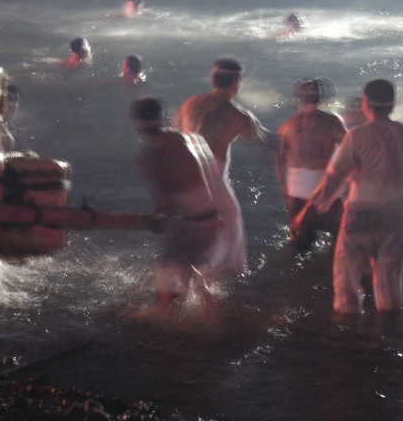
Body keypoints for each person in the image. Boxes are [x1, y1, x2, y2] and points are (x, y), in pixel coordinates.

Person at [296, 79, 403, 314]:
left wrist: (307, 211)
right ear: (392, 104)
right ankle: (386, 331)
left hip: (361, 216)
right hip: (395, 219)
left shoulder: (357, 136)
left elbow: (334, 178)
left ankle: (348, 330)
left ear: (366, 104)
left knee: (347, 288)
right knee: (391, 290)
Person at [173, 57, 275, 275]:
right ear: (237, 83)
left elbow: (174, 135)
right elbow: (265, 142)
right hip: (213, 182)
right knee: (229, 237)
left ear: (213, 80)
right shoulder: (239, 115)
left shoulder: (189, 104)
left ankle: (182, 278)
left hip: (184, 179)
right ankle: (218, 284)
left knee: (193, 233)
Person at [130, 97, 221, 307]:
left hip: (191, 226)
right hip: (214, 221)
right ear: (163, 116)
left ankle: (168, 321)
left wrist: (155, 220)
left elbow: (166, 203)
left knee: (166, 291)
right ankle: (217, 320)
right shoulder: (194, 139)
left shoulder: (152, 158)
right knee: (196, 279)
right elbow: (214, 179)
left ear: (137, 123)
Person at [276, 78, 347, 251]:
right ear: (321, 97)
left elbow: (280, 158)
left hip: (296, 191)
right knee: (340, 242)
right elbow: (350, 148)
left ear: (299, 97)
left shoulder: (288, 125)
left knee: (298, 244)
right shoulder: (332, 122)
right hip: (323, 189)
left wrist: (284, 186)